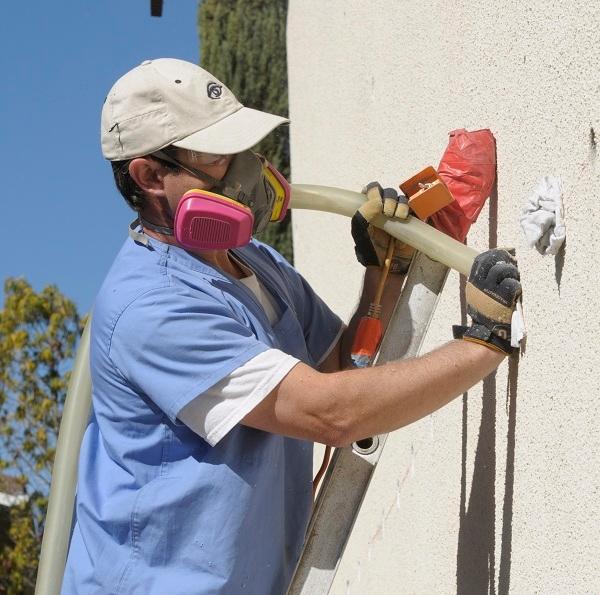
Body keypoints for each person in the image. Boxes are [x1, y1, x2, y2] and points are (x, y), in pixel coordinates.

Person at [62, 58, 522, 595]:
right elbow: (331, 412)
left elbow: (345, 367)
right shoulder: (150, 307)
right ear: (150, 175)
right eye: (217, 155)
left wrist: (386, 270)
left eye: (242, 147)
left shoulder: (252, 260)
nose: (245, 169)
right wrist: (483, 344)